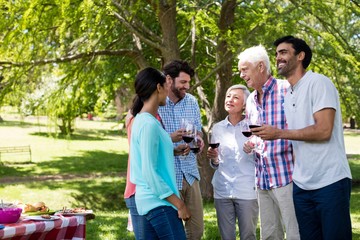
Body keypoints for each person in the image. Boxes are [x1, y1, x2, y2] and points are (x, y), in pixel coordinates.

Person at [253, 36, 352, 239]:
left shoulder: (319, 83)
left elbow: (324, 131)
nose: (278, 57)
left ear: (300, 56)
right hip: (302, 185)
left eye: (283, 52)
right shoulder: (288, 94)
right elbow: (299, 140)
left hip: (330, 181)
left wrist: (279, 133)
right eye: (277, 53)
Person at [238, 45, 300, 239]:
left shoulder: (286, 90)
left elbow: (300, 130)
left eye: (244, 69)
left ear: (260, 67)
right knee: (269, 234)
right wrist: (252, 143)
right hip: (262, 177)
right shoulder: (250, 100)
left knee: (294, 232)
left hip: (286, 176)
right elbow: (256, 133)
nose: (241, 75)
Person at [129, 67, 191, 240]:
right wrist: (180, 205)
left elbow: (147, 156)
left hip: (149, 203)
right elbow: (150, 173)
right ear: (158, 88)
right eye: (166, 86)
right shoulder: (149, 124)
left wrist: (172, 151)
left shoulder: (142, 120)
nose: (168, 91)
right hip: (159, 204)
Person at [158, 60, 204, 240]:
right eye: (183, 82)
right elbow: (152, 141)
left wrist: (198, 141)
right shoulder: (158, 103)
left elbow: (198, 131)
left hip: (190, 173)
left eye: (189, 82)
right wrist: (172, 143)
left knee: (196, 230)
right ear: (169, 80)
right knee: (171, 233)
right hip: (168, 176)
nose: (187, 86)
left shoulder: (191, 102)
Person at [207, 84, 259, 240]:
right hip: (222, 190)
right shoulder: (217, 128)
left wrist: (253, 149)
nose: (230, 99)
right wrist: (214, 158)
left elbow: (262, 154)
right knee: (226, 237)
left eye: (236, 97)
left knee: (248, 236)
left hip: (247, 190)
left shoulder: (253, 127)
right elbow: (215, 163)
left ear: (244, 104)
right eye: (228, 96)